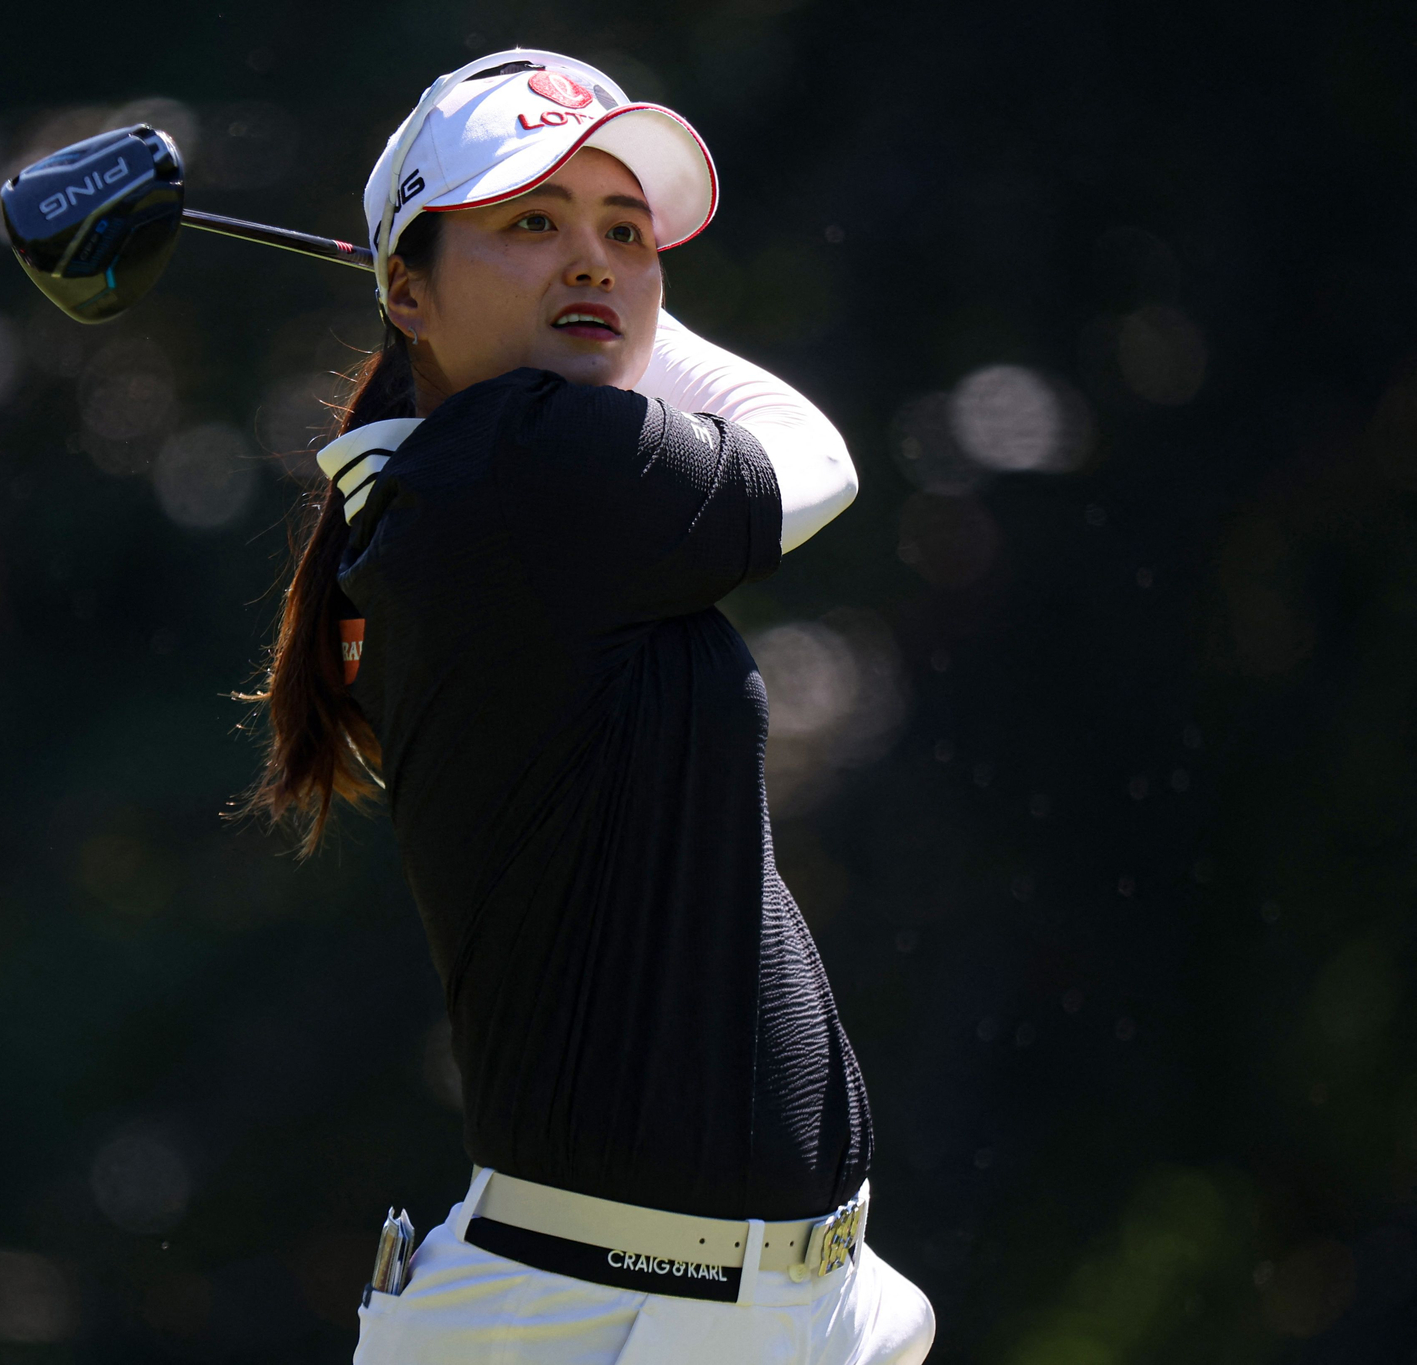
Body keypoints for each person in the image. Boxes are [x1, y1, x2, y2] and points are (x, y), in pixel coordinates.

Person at [244, 50, 935, 1365]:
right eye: (530, 222)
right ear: (404, 288)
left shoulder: (454, 483)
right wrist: (630, 317)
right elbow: (815, 456)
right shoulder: (525, 467)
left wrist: (565, 297)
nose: (592, 256)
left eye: (627, 231)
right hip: (620, 1319)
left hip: (729, 1299)